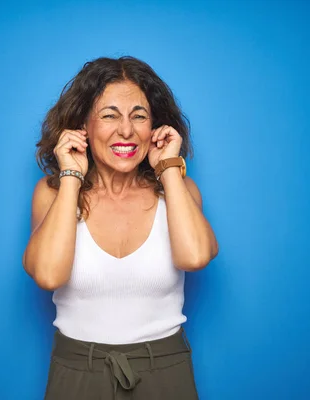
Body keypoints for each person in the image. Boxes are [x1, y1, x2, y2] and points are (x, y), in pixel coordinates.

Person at [23, 56, 219, 400]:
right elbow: (48, 276)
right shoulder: (51, 194)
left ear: (155, 126)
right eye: (109, 115)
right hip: (77, 372)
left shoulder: (179, 191)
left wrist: (168, 167)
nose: (126, 131)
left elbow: (196, 256)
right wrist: (72, 174)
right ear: (83, 125)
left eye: (139, 116)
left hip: (165, 370)